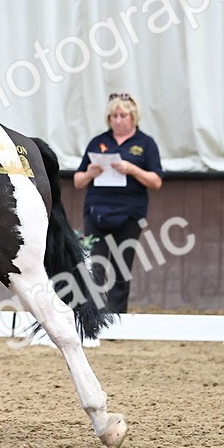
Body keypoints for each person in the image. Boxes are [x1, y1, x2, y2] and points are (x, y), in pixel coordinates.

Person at [72, 93, 164, 314]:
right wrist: (91, 172)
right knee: (95, 266)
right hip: (96, 213)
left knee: (121, 268)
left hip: (130, 214)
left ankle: (116, 318)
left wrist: (131, 169)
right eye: (113, 116)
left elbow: (156, 181)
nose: (118, 120)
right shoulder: (98, 142)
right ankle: (92, 317)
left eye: (123, 115)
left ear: (133, 117)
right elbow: (77, 181)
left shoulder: (145, 144)